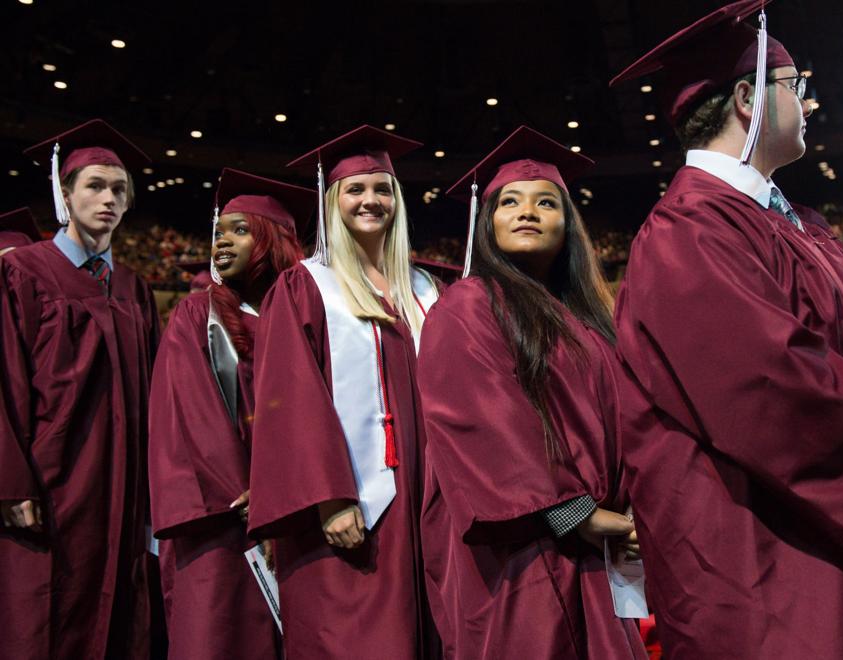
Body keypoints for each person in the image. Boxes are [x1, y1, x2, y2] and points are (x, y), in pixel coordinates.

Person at [608, 2, 843, 657]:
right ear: (748, 100)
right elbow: (768, 390)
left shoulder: (798, 225)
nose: (809, 105)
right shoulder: (689, 234)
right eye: (797, 88)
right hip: (772, 564)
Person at [417, 125, 647, 659]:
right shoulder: (468, 306)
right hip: (522, 547)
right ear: (488, 221)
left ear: (569, 225)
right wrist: (575, 513)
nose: (527, 211)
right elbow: (482, 426)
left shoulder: (590, 320)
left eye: (547, 202)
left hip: (598, 542)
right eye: (509, 202)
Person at [247, 125, 440, 658]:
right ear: (332, 200)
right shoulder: (305, 286)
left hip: (427, 497)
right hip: (356, 501)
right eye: (355, 189)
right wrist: (329, 499)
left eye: (382, 189)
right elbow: (291, 400)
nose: (370, 200)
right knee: (360, 635)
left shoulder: (423, 289)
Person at [0, 119, 160, 659]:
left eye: (119, 189)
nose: (108, 198)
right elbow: (3, 380)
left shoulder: (135, 290)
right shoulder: (21, 273)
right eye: (94, 185)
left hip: (121, 483)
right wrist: (11, 483)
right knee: (42, 613)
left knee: (117, 608)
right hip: (51, 483)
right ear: (63, 194)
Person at [149, 168, 313, 659]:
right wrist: (255, 494)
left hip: (299, 516)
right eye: (220, 231)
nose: (222, 242)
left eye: (241, 231)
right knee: (219, 636)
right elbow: (193, 415)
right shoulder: (198, 317)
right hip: (225, 521)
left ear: (274, 241)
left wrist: (290, 492)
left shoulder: (308, 319)